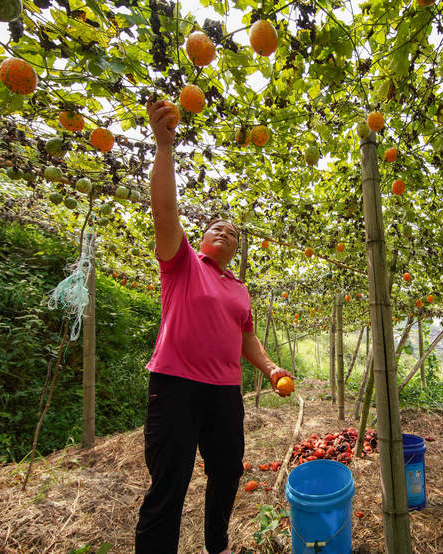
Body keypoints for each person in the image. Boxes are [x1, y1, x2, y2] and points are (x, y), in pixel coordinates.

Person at [135, 100, 293, 554]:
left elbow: (246, 336)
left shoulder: (240, 288)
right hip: (177, 385)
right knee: (171, 479)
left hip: (225, 391)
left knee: (226, 472)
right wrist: (164, 146)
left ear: (237, 249)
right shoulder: (183, 264)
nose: (224, 232)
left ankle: (217, 545)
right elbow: (165, 212)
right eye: (216, 228)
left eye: (233, 233)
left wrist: (268, 367)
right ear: (202, 240)